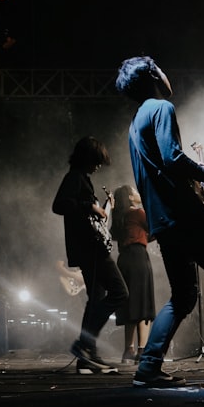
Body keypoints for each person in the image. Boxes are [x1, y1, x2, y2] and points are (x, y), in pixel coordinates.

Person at [115, 55, 204, 389]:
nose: (166, 72)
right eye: (160, 67)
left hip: (163, 222)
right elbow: (172, 157)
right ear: (152, 75)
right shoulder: (161, 108)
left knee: (182, 296)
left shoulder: (135, 123)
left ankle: (148, 368)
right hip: (184, 216)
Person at [52, 135, 129, 374]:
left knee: (96, 298)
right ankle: (84, 345)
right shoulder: (74, 177)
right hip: (90, 249)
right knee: (119, 292)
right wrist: (91, 206)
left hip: (90, 247)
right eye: (96, 161)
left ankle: (87, 357)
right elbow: (59, 205)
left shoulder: (82, 178)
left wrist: (102, 210)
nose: (98, 167)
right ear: (87, 158)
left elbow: (88, 217)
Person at [110, 184, 156, 364]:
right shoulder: (138, 213)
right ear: (130, 197)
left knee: (130, 305)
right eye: (135, 191)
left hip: (124, 260)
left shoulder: (119, 217)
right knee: (143, 305)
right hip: (138, 258)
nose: (138, 192)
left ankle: (128, 349)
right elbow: (154, 228)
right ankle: (142, 351)